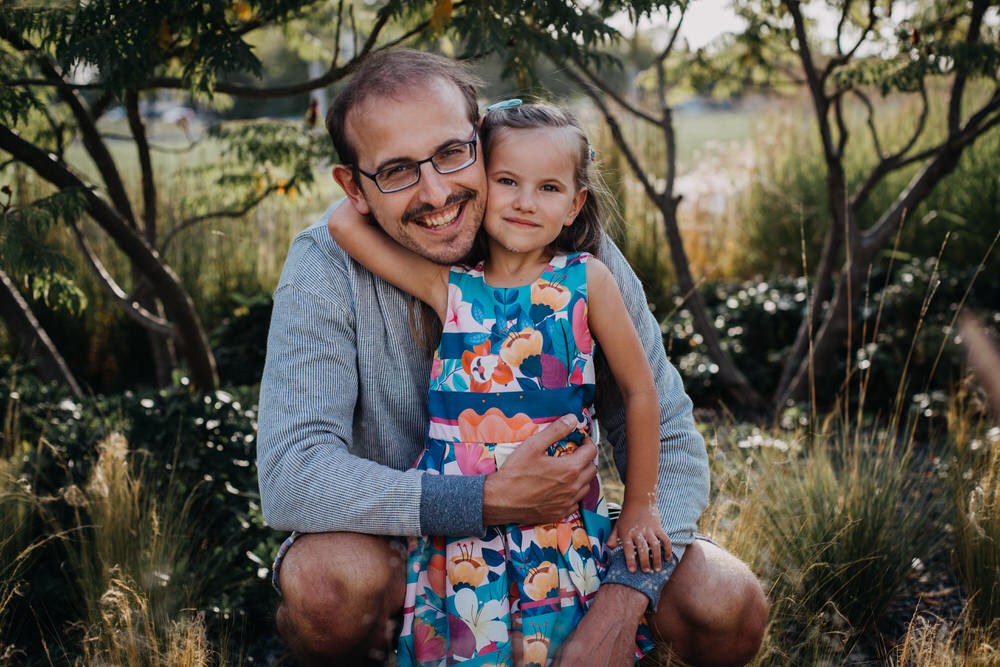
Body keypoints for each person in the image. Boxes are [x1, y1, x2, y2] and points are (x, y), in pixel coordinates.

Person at [257, 48, 768, 666]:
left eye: (451, 153)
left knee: (727, 604)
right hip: (403, 551)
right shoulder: (324, 266)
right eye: (396, 170)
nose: (437, 192)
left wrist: (622, 600)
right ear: (354, 187)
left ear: (482, 138)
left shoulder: (574, 257)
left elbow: (671, 436)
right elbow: (292, 475)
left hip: (560, 538)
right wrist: (486, 500)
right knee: (326, 586)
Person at [327, 101, 668, 664]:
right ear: (480, 185)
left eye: (549, 188)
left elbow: (640, 393)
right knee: (468, 648)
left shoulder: (588, 280)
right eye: (506, 181)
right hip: (462, 531)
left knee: (552, 648)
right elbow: (344, 223)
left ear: (575, 204)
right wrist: (430, 161)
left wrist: (639, 506)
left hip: (557, 527)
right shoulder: (450, 287)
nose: (525, 202)